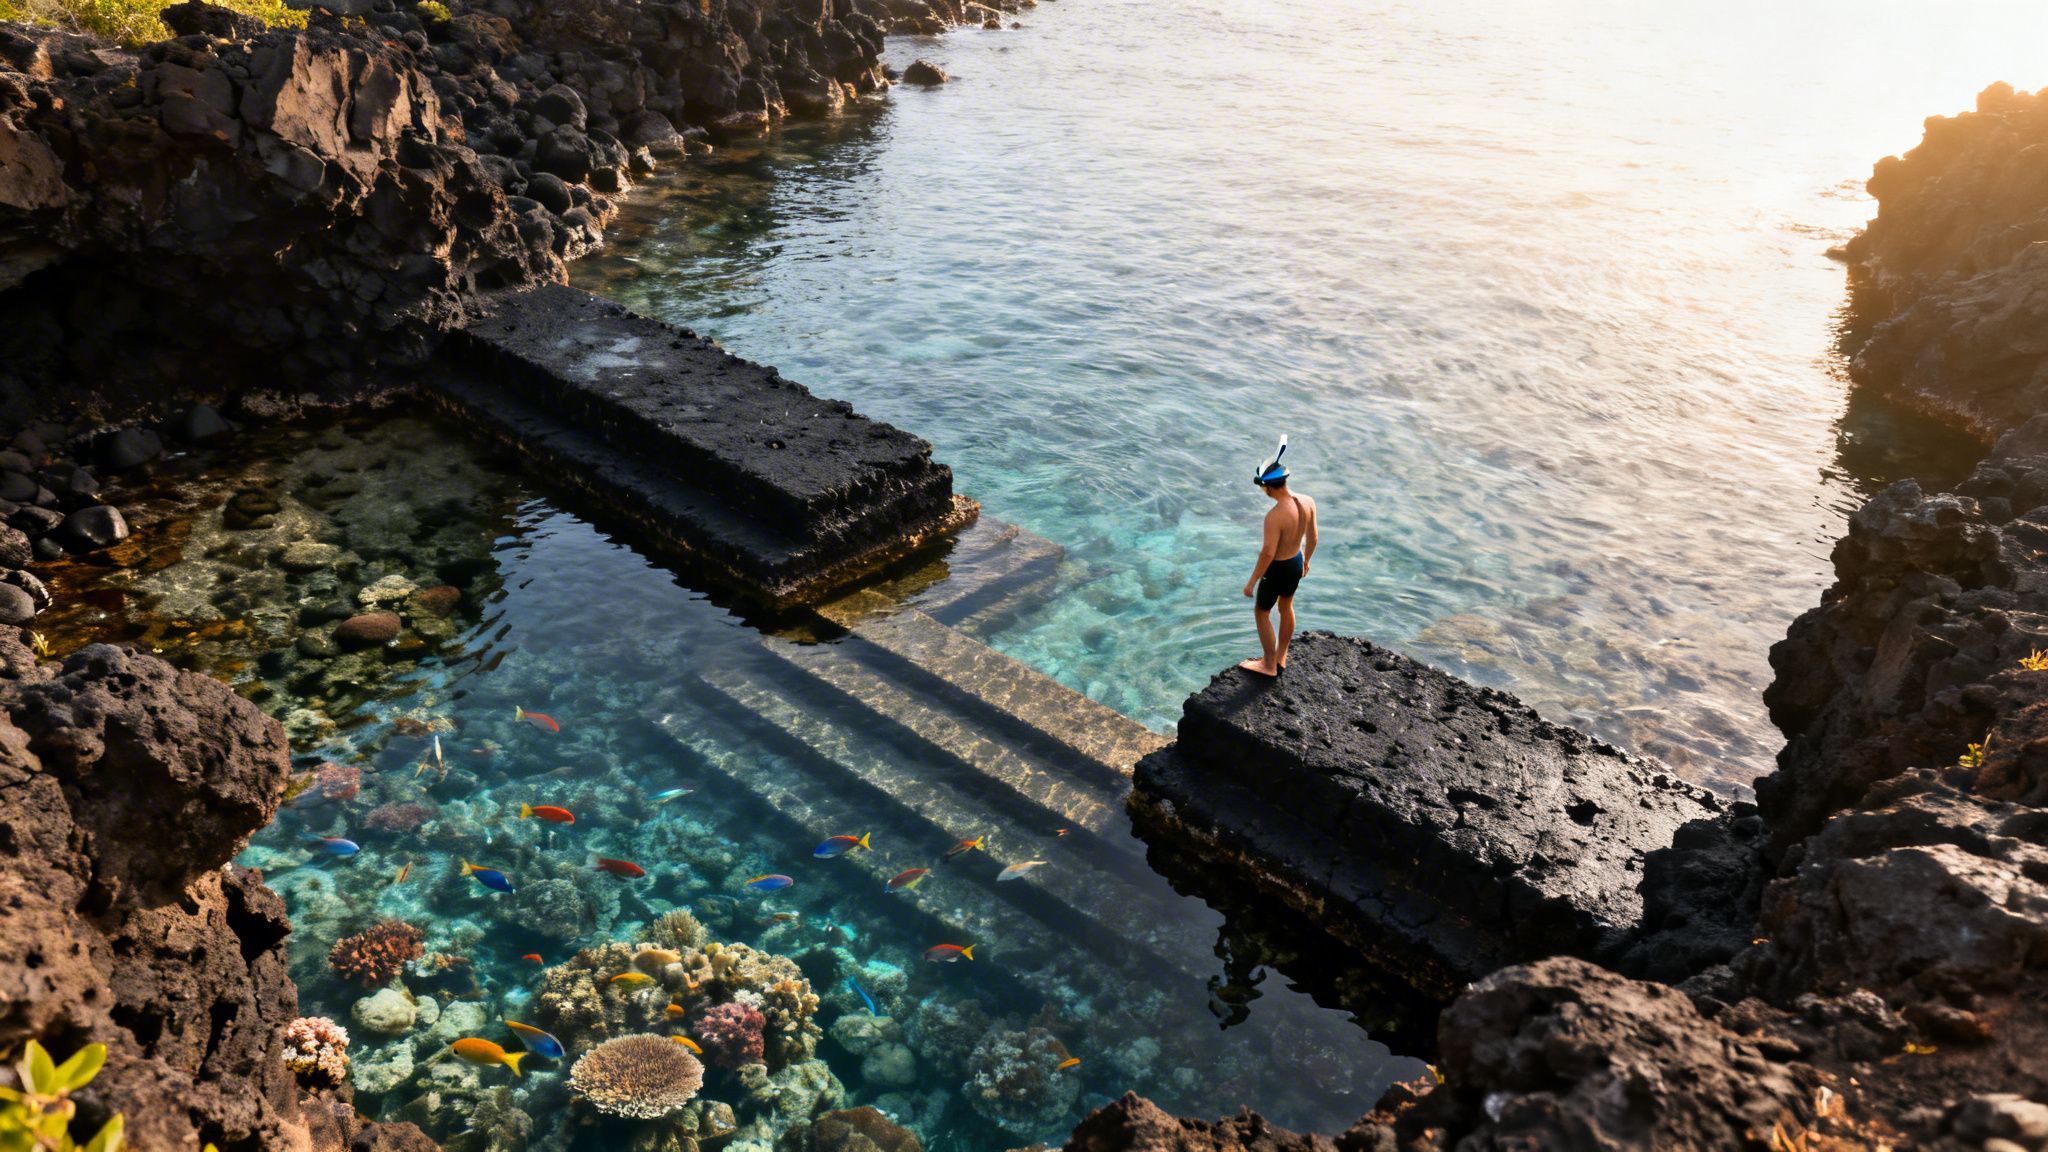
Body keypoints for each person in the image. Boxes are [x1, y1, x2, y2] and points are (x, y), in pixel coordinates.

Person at [1239, 436, 1316, 677]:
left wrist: (1252, 581)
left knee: (1262, 612)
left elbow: (1268, 553)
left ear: (1269, 486)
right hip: (1295, 562)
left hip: (1278, 569)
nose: (1264, 492)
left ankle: (1269, 664)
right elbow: (1313, 538)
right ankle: (1282, 655)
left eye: (1263, 488)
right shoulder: (1307, 502)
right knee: (1286, 606)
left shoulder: (1274, 516)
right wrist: (1306, 561)